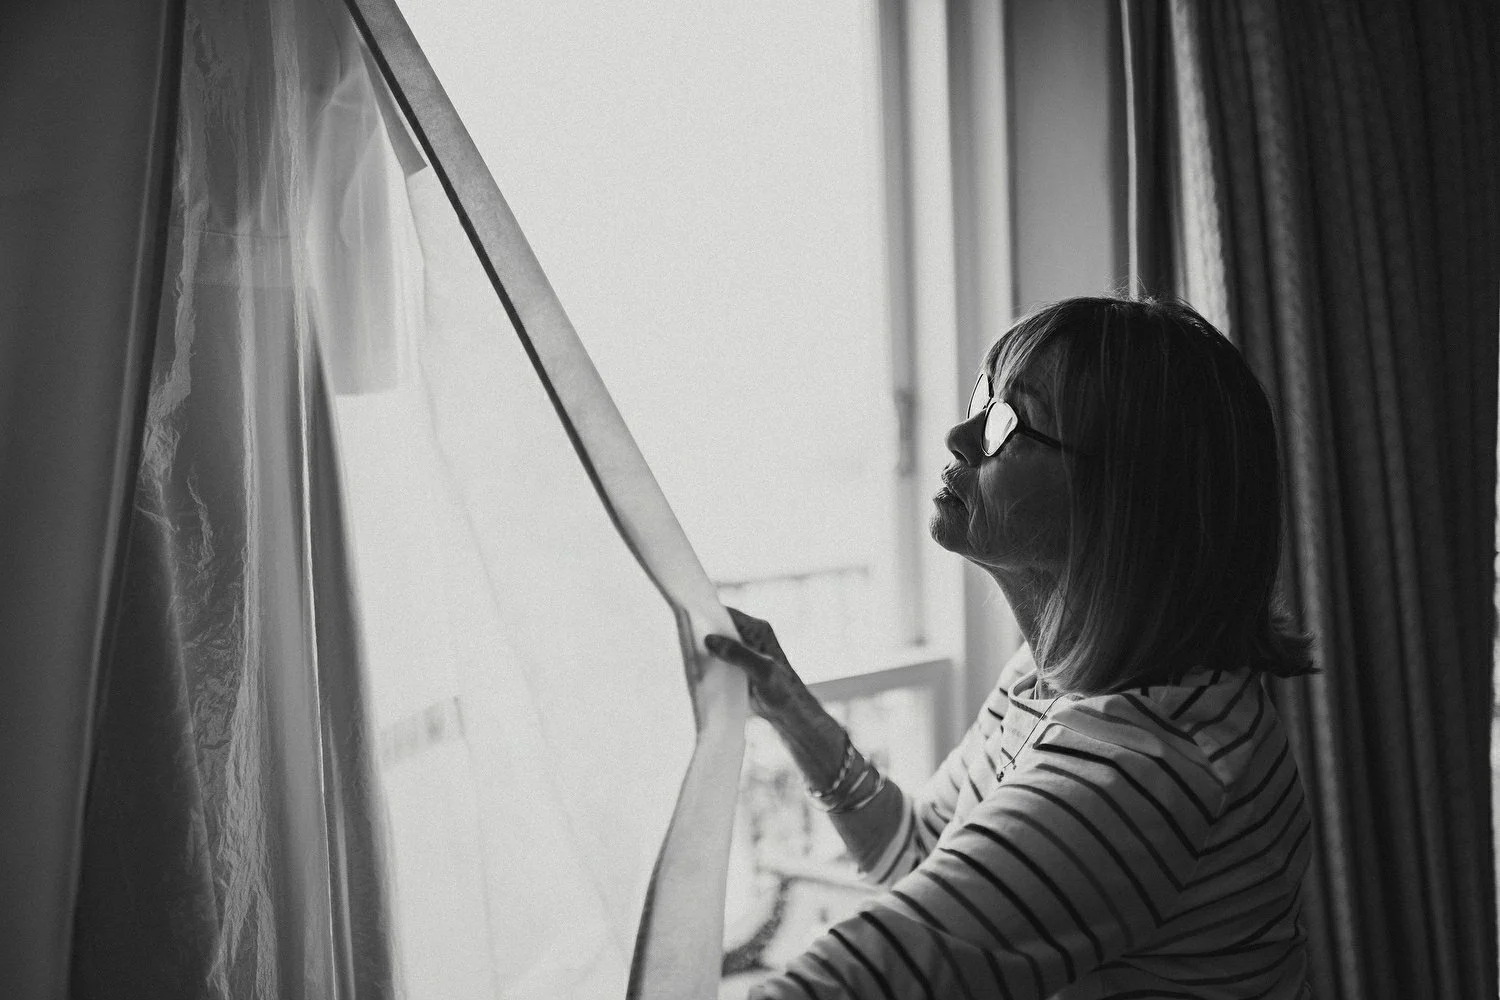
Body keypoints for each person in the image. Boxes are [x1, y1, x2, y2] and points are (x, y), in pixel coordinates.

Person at [706, 296, 1317, 999]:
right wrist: (788, 704)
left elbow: (874, 977)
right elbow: (918, 854)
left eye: (1009, 421)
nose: (960, 435)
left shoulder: (1146, 766)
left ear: (1122, 496)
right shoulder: (1052, 675)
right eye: (980, 397)